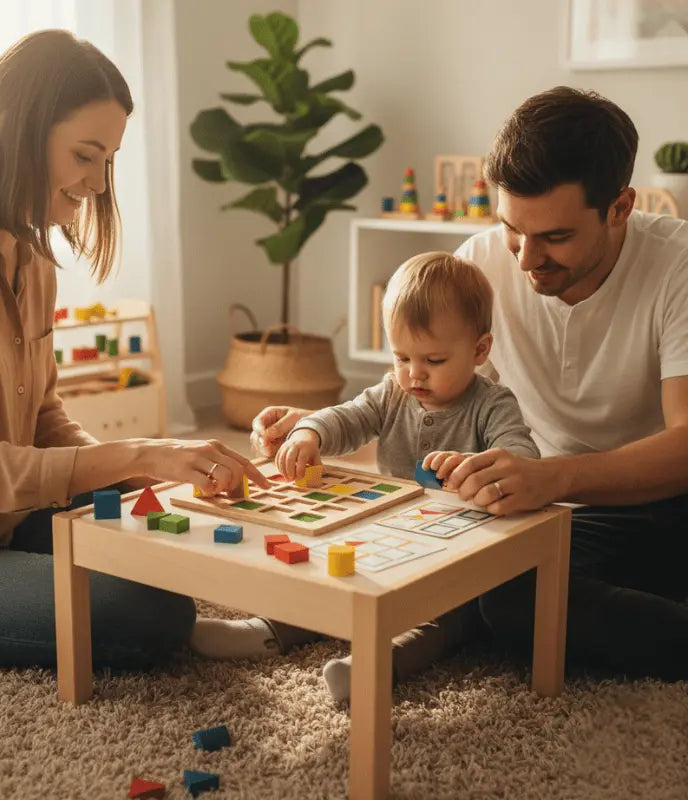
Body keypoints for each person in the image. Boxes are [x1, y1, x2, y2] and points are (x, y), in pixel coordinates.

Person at [251, 86, 688, 682]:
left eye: (555, 237)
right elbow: (422, 384)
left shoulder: (675, 265)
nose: (527, 258)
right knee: (486, 584)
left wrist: (554, 476)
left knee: (511, 594)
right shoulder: (480, 262)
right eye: (512, 228)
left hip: (657, 501)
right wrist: (312, 423)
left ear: (619, 207)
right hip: (544, 506)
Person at [0, 29, 267, 671]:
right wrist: (140, 451)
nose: (96, 182)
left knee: (175, 545)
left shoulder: (32, 258)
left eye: (107, 161)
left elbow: (43, 419)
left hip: (7, 520)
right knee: (147, 614)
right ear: (16, 131)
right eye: (85, 156)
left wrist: (142, 473)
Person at [190, 251, 540, 701]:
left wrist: (480, 467)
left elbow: (521, 457)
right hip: (389, 529)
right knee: (333, 575)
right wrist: (309, 432)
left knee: (450, 614)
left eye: (434, 360)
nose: (414, 373)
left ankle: (375, 665)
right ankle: (267, 631)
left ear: (479, 350)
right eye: (401, 357)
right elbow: (348, 417)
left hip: (461, 545)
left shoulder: (493, 404)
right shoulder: (392, 393)